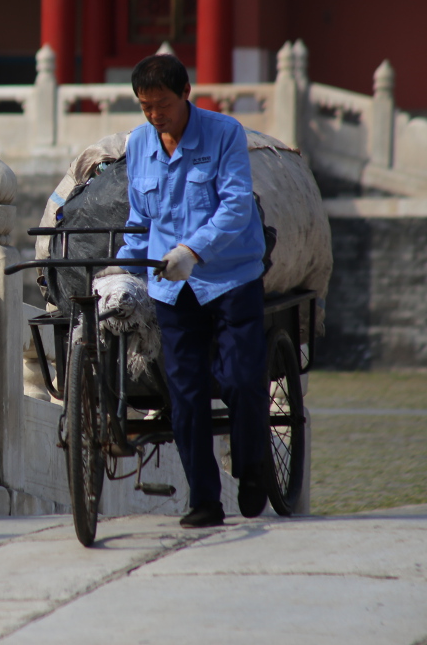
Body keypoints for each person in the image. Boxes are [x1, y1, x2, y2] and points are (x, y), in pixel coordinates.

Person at [117, 53, 270, 529]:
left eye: (161, 103)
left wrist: (192, 251)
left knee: (243, 380)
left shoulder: (225, 134)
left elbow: (235, 206)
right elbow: (140, 222)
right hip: (171, 289)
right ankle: (204, 499)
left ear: (186, 93)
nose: (154, 114)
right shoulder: (139, 144)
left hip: (229, 276)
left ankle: (252, 469)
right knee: (184, 394)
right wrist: (120, 270)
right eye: (145, 106)